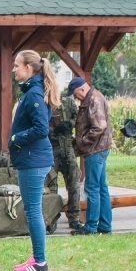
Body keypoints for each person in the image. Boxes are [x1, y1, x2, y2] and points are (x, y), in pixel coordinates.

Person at [9, 50, 60, 271]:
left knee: (33, 211)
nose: (13, 69)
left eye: (16, 66)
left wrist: (15, 138)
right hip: (32, 159)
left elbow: (40, 129)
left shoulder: (34, 94)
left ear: (28, 68)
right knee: (32, 210)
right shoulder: (34, 91)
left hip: (33, 160)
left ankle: (40, 261)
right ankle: (37, 257)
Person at [68, 76, 113, 236]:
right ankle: (105, 225)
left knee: (92, 188)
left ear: (81, 89)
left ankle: (91, 226)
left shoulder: (93, 100)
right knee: (101, 187)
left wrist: (83, 142)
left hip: (95, 149)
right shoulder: (95, 97)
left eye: (75, 94)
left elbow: (100, 126)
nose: (75, 98)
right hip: (101, 148)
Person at [47, 91, 83, 231]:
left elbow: (78, 118)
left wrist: (69, 124)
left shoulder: (68, 102)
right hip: (51, 148)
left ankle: (74, 218)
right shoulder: (44, 102)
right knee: (50, 186)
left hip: (67, 148)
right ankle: (51, 219)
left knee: (74, 184)